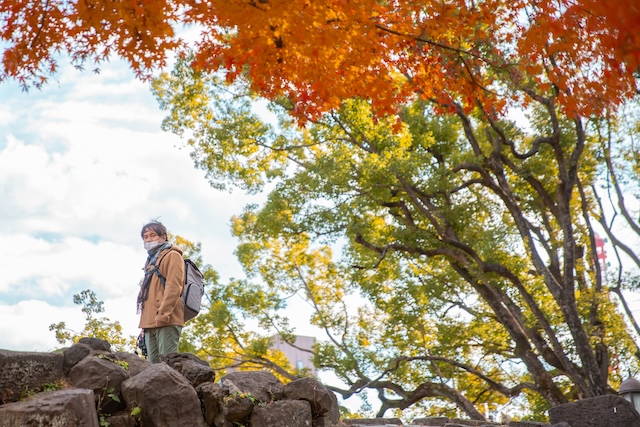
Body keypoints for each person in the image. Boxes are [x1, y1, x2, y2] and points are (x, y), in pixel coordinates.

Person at [136, 220, 185, 363]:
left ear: (163, 237)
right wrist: (144, 324)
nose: (149, 239)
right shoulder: (150, 261)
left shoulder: (172, 255)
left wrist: (163, 314)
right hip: (150, 322)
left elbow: (174, 287)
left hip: (167, 319)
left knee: (168, 366)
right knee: (153, 369)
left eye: (153, 235)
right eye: (145, 237)